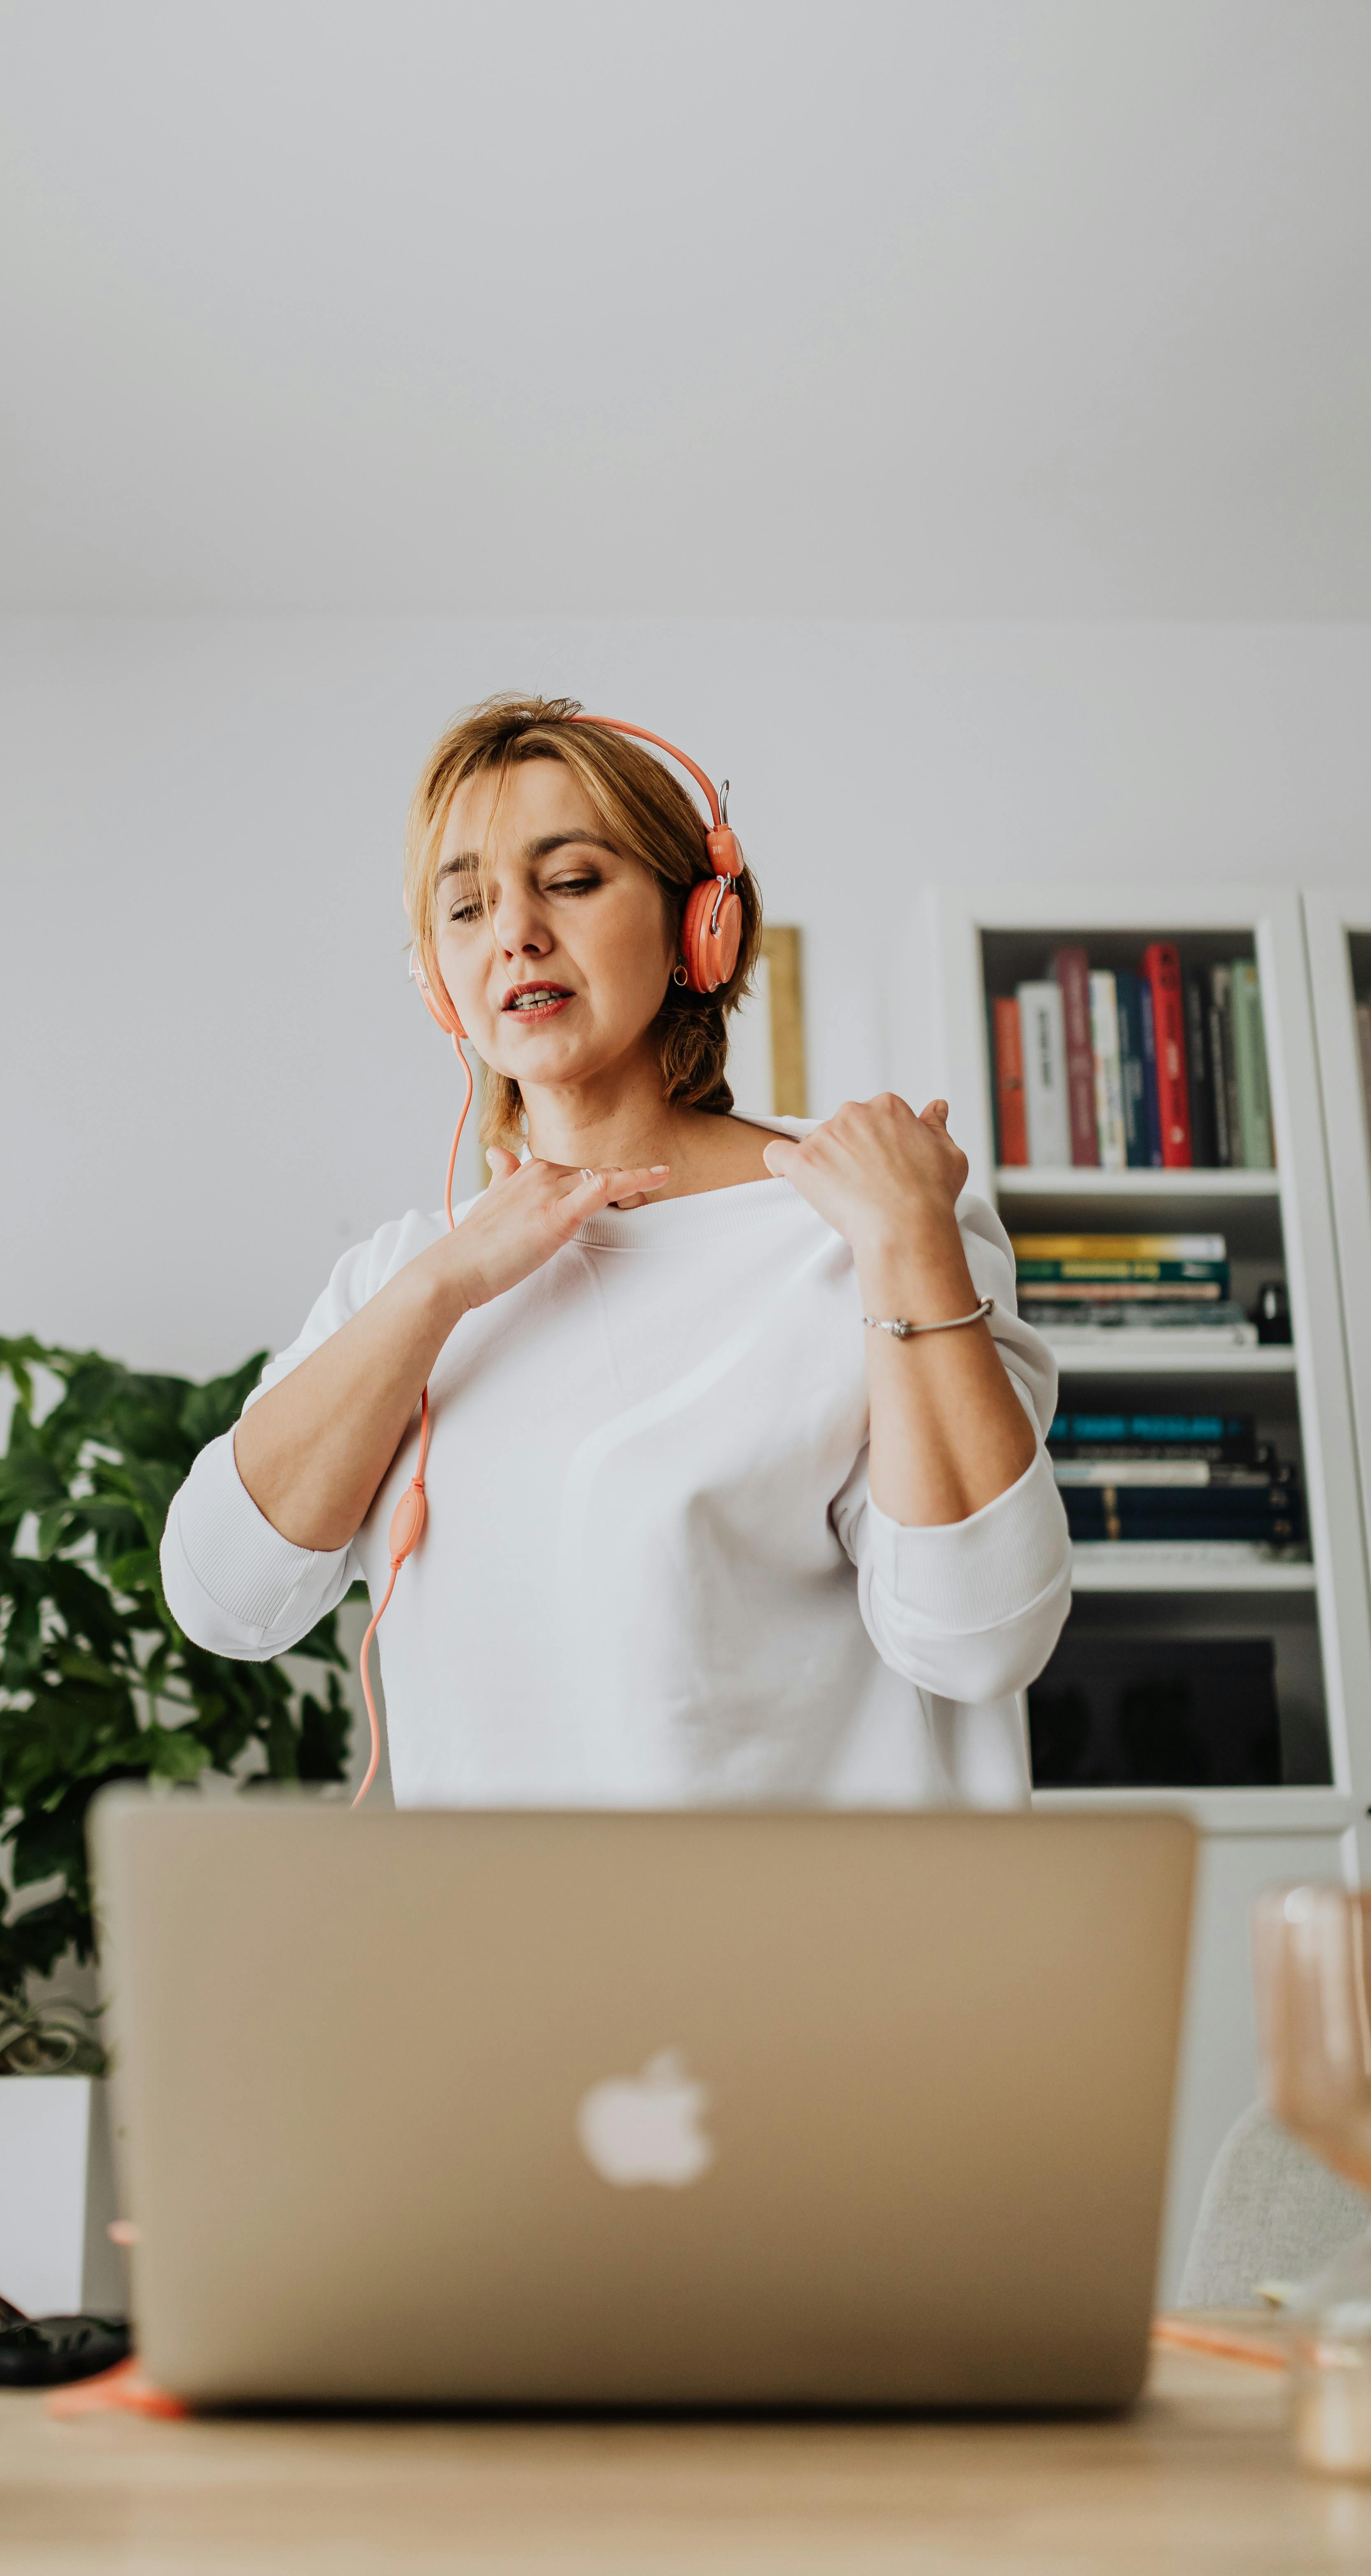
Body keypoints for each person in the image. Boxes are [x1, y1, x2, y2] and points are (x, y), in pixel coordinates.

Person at [162, 695, 1071, 1806]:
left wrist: (911, 1239)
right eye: (466, 905)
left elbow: (981, 1636)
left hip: (814, 1965)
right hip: (506, 1967)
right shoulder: (401, 1280)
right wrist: (445, 1284)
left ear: (705, 923)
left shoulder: (867, 1217)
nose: (516, 933)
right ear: (435, 980)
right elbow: (223, 1596)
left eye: (574, 880)